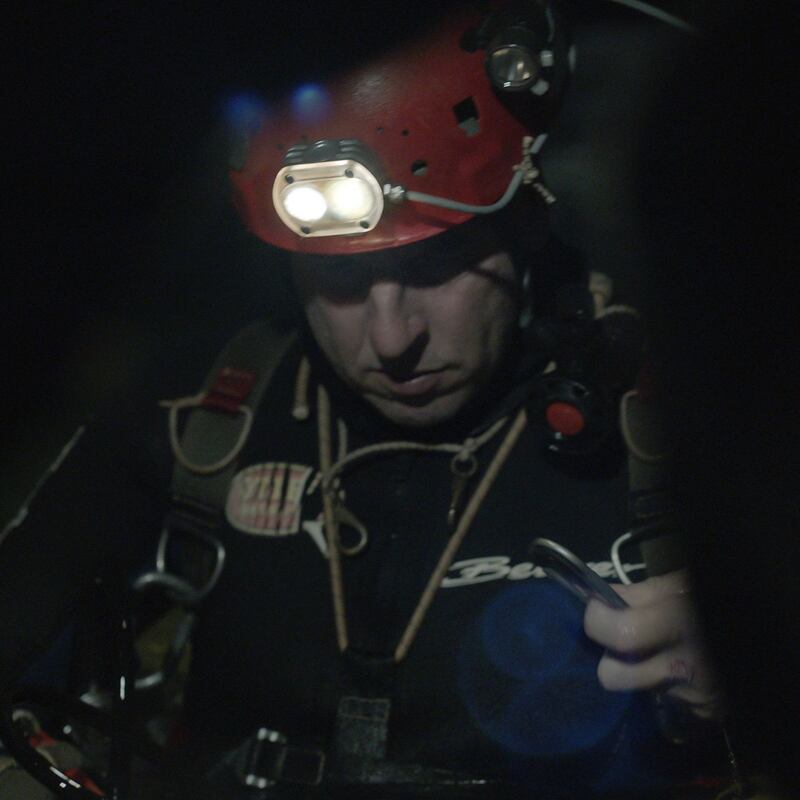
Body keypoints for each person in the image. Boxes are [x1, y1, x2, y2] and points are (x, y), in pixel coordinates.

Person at [1, 3, 725, 798]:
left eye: (436, 264)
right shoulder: (204, 413)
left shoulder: (672, 425)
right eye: (339, 277)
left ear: (527, 224)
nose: (391, 338)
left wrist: (746, 670)